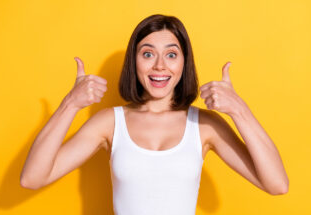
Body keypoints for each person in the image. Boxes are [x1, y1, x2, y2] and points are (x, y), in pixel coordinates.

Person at [20, 14, 289, 214]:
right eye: (147, 54)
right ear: (133, 62)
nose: (160, 65)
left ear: (184, 63)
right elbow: (32, 178)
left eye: (171, 55)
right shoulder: (109, 123)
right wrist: (70, 104)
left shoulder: (204, 125)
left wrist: (239, 110)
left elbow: (276, 184)